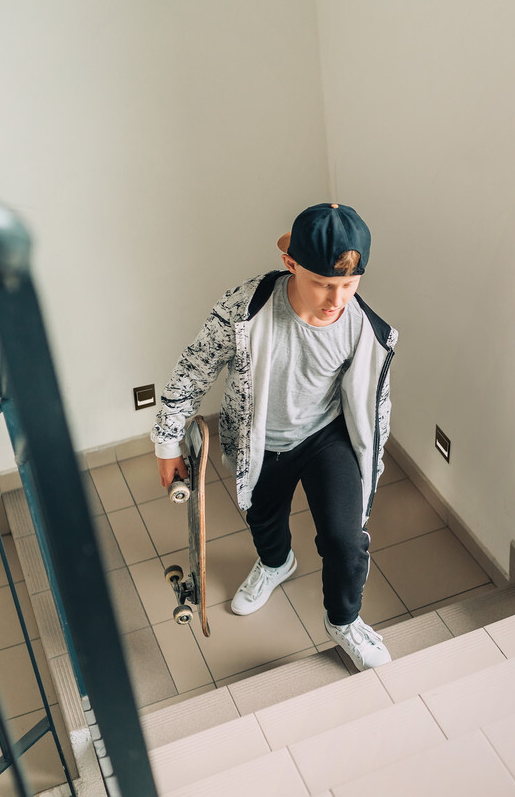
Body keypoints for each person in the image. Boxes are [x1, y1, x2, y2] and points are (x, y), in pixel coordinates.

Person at [151, 203, 396, 670]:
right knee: (264, 521)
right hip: (260, 441)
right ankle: (275, 563)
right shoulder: (244, 310)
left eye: (349, 284)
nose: (337, 298)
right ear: (291, 264)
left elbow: (375, 407)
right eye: (323, 283)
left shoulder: (366, 330)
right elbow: (193, 369)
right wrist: (167, 442)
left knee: (346, 541)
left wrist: (371, 466)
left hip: (326, 436)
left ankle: (345, 622)